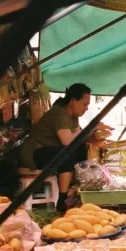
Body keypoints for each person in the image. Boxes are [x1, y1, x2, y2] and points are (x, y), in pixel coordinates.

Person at [18, 84, 113, 213]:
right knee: (66, 153)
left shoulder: (74, 117)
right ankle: (63, 200)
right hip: (33, 154)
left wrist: (94, 136)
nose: (86, 108)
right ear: (73, 101)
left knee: (81, 150)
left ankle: (77, 190)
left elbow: (77, 138)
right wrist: (92, 127)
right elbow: (67, 141)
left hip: (49, 150)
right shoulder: (59, 113)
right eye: (84, 104)